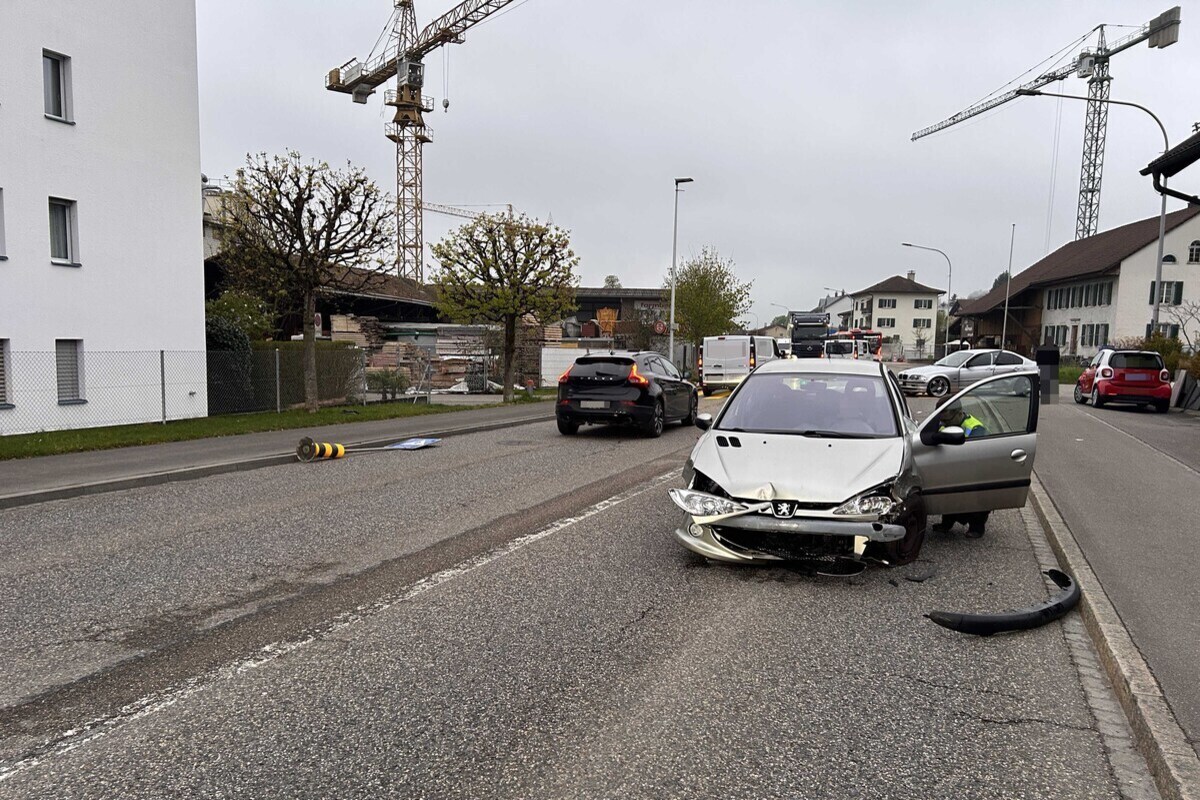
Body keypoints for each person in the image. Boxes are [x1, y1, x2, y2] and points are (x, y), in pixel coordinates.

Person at [931, 396, 990, 537]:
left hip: (973, 471)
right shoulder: (943, 421)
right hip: (953, 467)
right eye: (941, 420)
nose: (943, 423)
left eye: (946, 420)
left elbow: (977, 455)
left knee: (974, 496)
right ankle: (947, 523)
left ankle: (977, 527)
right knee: (947, 492)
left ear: (959, 413)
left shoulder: (975, 428)